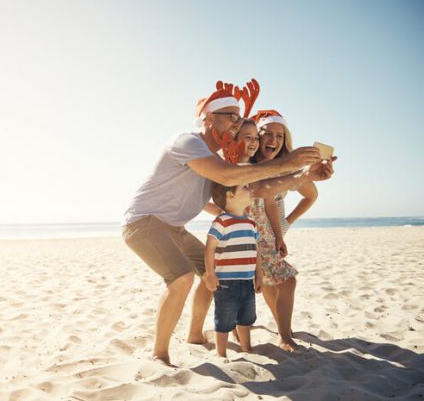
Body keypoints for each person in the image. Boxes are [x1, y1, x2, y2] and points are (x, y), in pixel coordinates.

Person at [122, 79, 336, 366]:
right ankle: (159, 353)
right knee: (182, 278)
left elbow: (259, 189)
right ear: (210, 118)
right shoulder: (188, 143)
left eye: (239, 118)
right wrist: (290, 163)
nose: (237, 124)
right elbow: (227, 177)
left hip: (175, 229)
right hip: (144, 222)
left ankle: (195, 335)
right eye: (232, 117)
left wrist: (303, 175)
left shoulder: (220, 158)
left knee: (216, 275)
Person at [247, 109, 319, 352]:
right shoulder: (245, 164)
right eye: (268, 134)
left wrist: (283, 229)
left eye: (280, 136)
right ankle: (285, 336)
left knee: (279, 281)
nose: (273, 141)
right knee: (283, 281)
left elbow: (273, 202)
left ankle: (283, 332)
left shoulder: (286, 168)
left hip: (267, 233)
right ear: (256, 137)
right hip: (246, 232)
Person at [204, 182, 262, 358]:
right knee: (224, 319)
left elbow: (256, 250)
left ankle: (246, 348)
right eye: (245, 187)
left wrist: (259, 274)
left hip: (247, 280)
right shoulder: (221, 221)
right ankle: (221, 354)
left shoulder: (251, 223)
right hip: (225, 282)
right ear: (230, 195)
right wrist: (210, 274)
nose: (250, 189)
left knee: (246, 318)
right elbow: (209, 248)